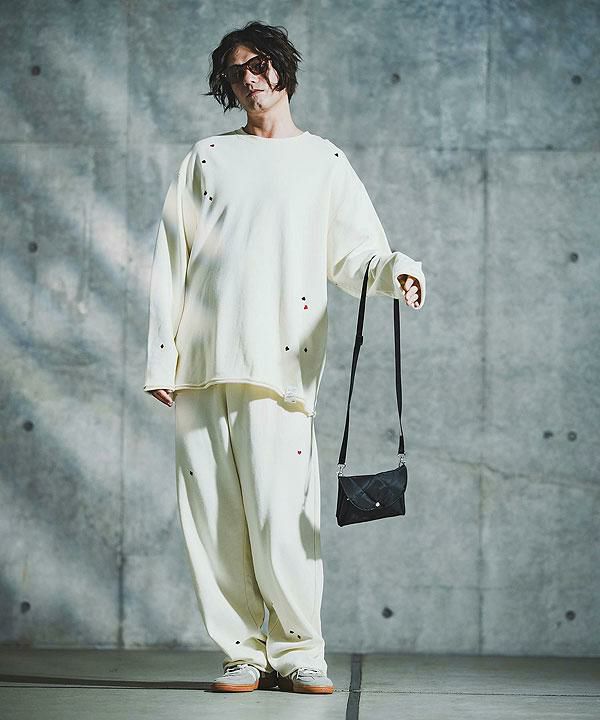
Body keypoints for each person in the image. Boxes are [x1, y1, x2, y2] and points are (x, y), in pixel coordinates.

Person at [142, 21, 426, 695]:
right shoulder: (207, 158)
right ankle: (242, 653)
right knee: (214, 520)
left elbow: (356, 254)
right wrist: (162, 359)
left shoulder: (323, 162)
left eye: (260, 63)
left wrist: (398, 270)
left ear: (282, 69)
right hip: (201, 368)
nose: (250, 77)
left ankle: (300, 652)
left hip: (282, 369)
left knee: (281, 519)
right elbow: (172, 258)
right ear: (227, 84)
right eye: (236, 70)